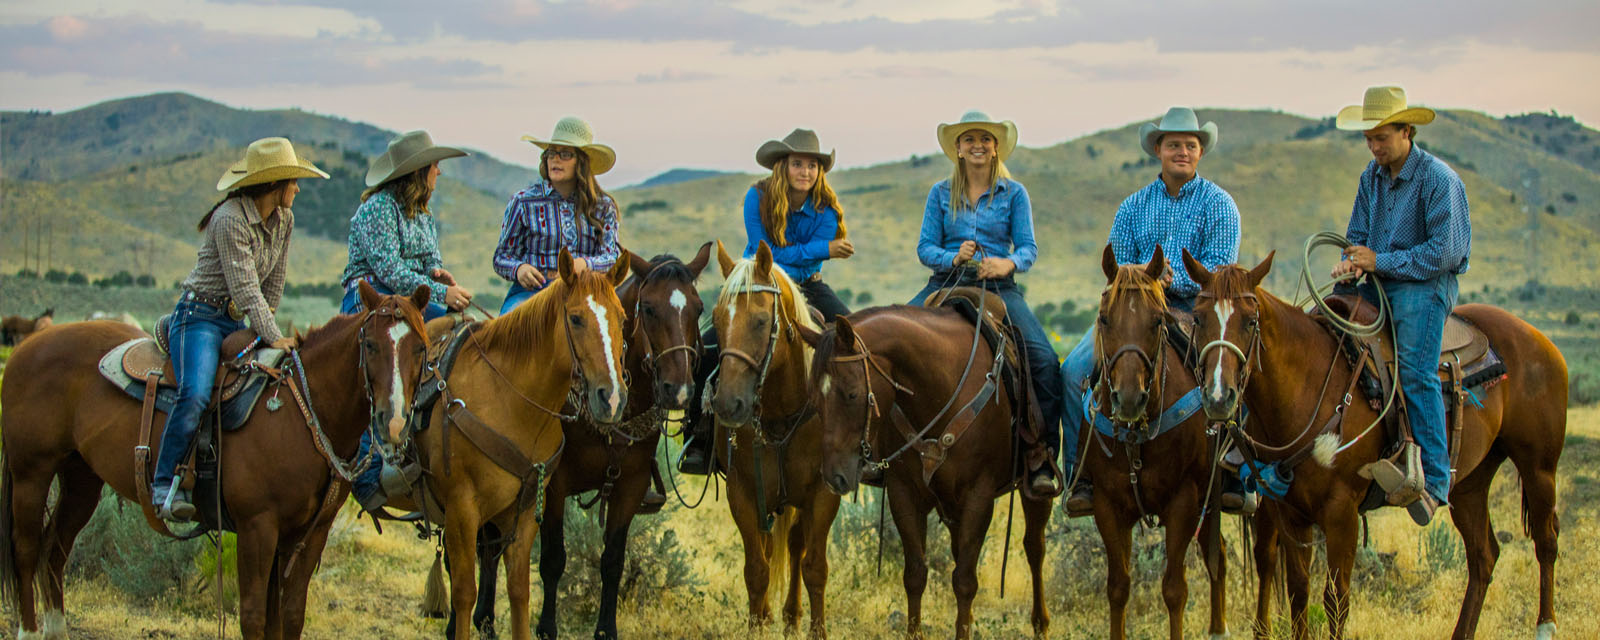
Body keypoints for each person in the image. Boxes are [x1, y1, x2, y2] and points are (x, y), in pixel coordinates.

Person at [1058, 107, 1244, 515]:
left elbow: (1220, 272)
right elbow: (1120, 266)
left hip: (1196, 312)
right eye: (1173, 144)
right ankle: (1081, 474)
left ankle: (1235, 470)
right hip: (1135, 313)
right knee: (1072, 373)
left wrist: (1174, 281)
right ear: (1158, 149)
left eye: (1190, 145)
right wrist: (1146, 281)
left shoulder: (1220, 206)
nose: (1182, 151)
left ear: (1200, 152)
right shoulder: (1132, 207)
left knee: (1229, 370)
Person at [153, 137, 328, 522]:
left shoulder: (285, 220)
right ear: (275, 185)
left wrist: (267, 331)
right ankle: (164, 483)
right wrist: (270, 333)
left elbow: (273, 285)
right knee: (197, 393)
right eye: (293, 181)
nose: (298, 189)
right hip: (199, 317)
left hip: (236, 322)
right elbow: (246, 287)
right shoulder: (230, 219)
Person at [1331, 86, 1470, 526]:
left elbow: (1445, 253)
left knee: (1414, 371)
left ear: (1407, 131)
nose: (1374, 146)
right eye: (1369, 138)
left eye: (1382, 137)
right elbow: (1359, 233)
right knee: (1330, 332)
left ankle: (1433, 483)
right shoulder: (1370, 177)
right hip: (1378, 280)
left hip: (1425, 285)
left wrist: (1380, 260)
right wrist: (1352, 262)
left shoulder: (1438, 180)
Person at [678, 128, 854, 474]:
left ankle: (856, 441)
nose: (805, 172)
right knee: (707, 349)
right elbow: (767, 256)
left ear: (820, 172)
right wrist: (824, 250)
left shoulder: (827, 210)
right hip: (755, 285)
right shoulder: (755, 197)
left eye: (812, 166)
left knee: (855, 345)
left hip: (808, 287)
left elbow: (789, 261)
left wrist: (803, 256)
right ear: (782, 166)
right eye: (798, 163)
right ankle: (698, 437)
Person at [908, 110, 1061, 495]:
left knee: (1043, 359)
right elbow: (925, 247)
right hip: (945, 281)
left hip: (999, 289)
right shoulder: (940, 193)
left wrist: (1006, 262)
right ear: (958, 149)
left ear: (995, 149)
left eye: (985, 140)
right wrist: (952, 257)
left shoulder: (1015, 194)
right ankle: (885, 450)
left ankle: (1041, 455)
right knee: (887, 339)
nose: (978, 145)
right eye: (970, 140)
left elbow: (1029, 247)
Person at [340, 129, 472, 510]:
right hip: (369, 298)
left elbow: (427, 261)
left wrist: (439, 276)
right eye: (435, 167)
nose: (439, 174)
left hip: (409, 301)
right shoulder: (378, 208)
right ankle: (366, 474)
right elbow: (390, 269)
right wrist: (443, 295)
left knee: (459, 336)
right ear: (418, 172)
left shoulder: (423, 215)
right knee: (374, 369)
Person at [492, 116, 621, 313]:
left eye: (565, 154)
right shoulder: (523, 202)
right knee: (505, 330)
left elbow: (612, 257)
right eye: (551, 153)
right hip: (531, 293)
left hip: (585, 292)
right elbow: (501, 257)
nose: (555, 159)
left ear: (582, 162)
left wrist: (585, 264)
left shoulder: (603, 207)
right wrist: (519, 269)